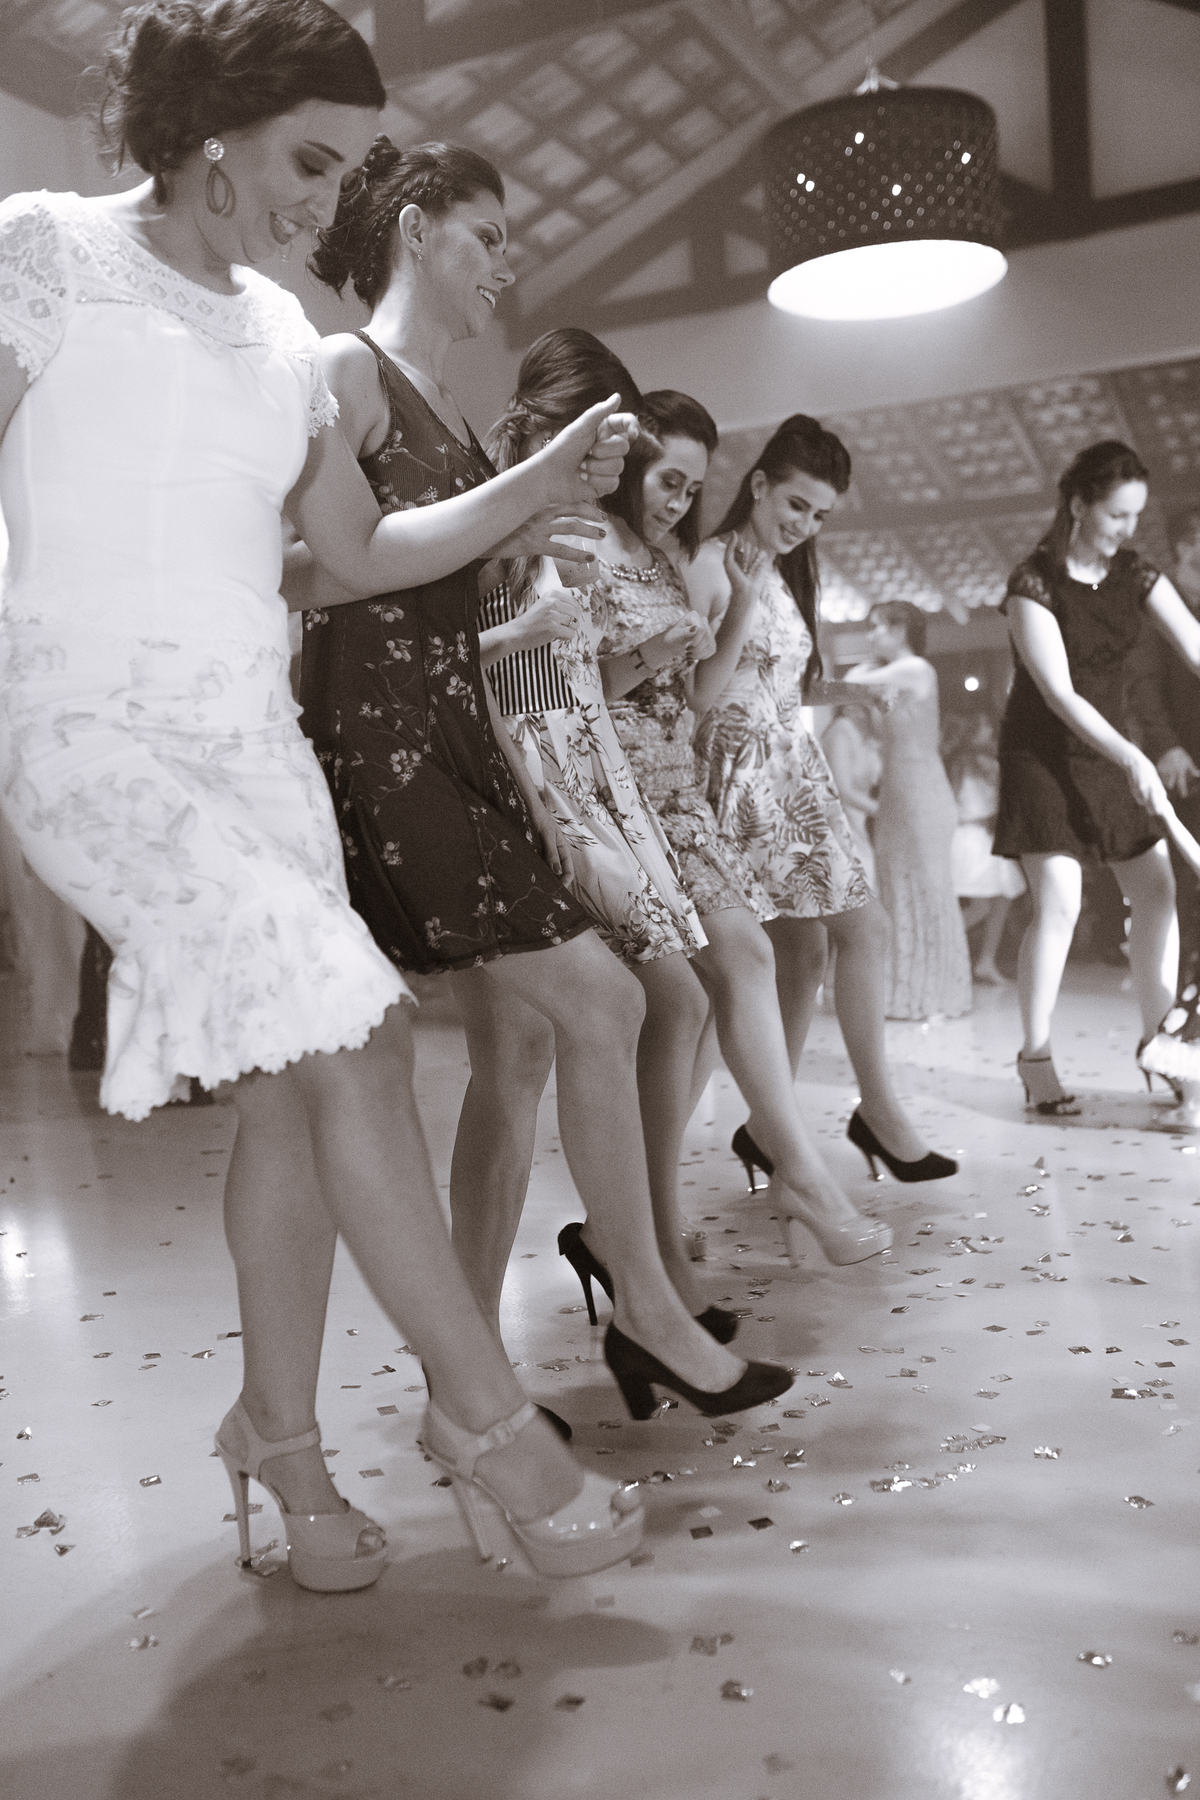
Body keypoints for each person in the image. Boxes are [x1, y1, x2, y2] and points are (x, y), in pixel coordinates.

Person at [0, 0, 656, 1590]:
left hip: (254, 750)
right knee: (356, 1035)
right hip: (90, 730)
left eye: (349, 170)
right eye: (310, 160)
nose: (327, 202)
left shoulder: (292, 346)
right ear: (209, 127)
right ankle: (488, 1424)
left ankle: (281, 1446)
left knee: (295, 1090)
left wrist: (534, 483)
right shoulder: (44, 251)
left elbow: (353, 556)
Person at [296, 141, 790, 1424]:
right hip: (393, 744)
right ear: (416, 229)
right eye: (488, 236)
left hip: (467, 737)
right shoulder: (346, 369)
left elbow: (438, 593)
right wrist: (526, 506)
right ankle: (644, 1308)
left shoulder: (447, 413)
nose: (504, 268)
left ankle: (480, 1378)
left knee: (540, 1038)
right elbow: (315, 566)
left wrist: (519, 565)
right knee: (606, 1002)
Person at [594, 403, 895, 1264]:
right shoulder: (678, 559)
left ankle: (755, 1164)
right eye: (669, 481)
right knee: (711, 990)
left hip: (723, 780)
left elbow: (740, 683)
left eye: (691, 488)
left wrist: (763, 624)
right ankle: (766, 1167)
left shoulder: (687, 562)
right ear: (759, 487)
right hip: (683, 782)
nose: (680, 501)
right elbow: (674, 692)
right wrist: (685, 642)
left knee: (753, 972)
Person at [476, 335, 720, 1334]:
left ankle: (636, 1257)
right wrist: (518, 637)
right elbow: (447, 665)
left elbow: (574, 678)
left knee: (668, 1001)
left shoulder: (568, 520)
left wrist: (645, 660)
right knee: (516, 1064)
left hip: (592, 778)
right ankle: (618, 1275)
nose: (621, 459)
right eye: (611, 437)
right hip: (529, 783)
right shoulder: (494, 512)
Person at [684, 417, 957, 1184]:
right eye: (796, 504)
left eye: (819, 514)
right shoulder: (710, 564)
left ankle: (772, 1130)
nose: (804, 524)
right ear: (759, 485)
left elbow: (782, 681)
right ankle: (872, 1113)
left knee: (807, 951)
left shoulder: (783, 572)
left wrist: (850, 695)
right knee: (852, 931)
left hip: (793, 773)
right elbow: (691, 692)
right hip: (740, 779)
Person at [992, 440, 1200, 1114]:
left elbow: (1195, 646)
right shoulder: (1033, 582)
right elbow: (1058, 695)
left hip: (1111, 748)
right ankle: (1035, 1056)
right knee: (1060, 898)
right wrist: (1134, 756)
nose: (1127, 529)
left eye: (1135, 516)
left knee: (1157, 888)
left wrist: (1127, 755)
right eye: (1116, 515)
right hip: (1043, 753)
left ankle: (1160, 1043)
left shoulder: (1136, 574)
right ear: (1079, 505)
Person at [845, 602, 973, 1021]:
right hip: (897, 793)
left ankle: (930, 995)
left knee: (926, 888)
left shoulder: (917, 669)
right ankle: (903, 993)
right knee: (896, 887)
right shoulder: (895, 676)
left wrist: (865, 671)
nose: (871, 636)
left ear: (902, 631)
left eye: (878, 627)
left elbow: (849, 683)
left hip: (922, 793)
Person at [1127, 506, 1200, 992]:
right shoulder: (1159, 603)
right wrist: (1168, 746)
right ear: (1184, 546)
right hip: (1184, 764)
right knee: (1187, 882)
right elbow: (1144, 685)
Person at [943, 713, 1025, 985]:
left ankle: (986, 960)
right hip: (967, 836)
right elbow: (954, 800)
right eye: (985, 727)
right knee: (981, 905)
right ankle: (941, 944)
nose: (990, 731)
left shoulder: (992, 762)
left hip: (985, 836)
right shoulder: (964, 762)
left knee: (1003, 896)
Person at [821, 706, 880, 891]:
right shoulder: (842, 730)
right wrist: (884, 811)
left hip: (859, 821)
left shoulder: (868, 738)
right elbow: (842, 790)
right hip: (840, 821)